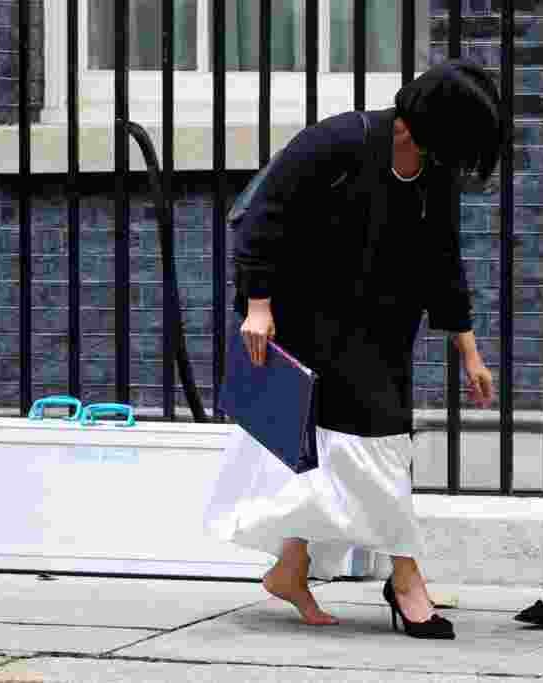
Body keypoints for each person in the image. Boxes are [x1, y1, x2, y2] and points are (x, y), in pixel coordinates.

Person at [203, 60, 506, 640]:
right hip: (309, 318)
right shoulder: (339, 141)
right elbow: (263, 217)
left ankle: (291, 569)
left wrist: (469, 350)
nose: (459, 165)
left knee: (345, 452)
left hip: (384, 328)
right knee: (373, 450)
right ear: (430, 124)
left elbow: (442, 262)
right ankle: (407, 581)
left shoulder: (434, 170)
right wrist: (258, 305)